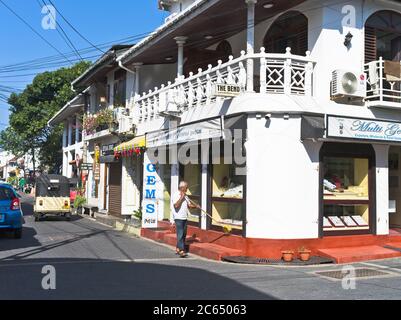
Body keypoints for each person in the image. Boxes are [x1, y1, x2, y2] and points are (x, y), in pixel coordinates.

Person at [171, 181, 198, 258]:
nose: (187, 188)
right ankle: (182, 250)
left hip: (185, 217)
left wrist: (196, 206)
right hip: (178, 217)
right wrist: (182, 197)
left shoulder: (186, 196)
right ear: (182, 187)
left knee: (184, 234)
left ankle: (178, 248)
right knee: (180, 234)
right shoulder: (176, 195)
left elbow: (189, 205)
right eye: (186, 187)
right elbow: (176, 205)